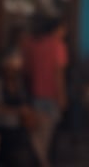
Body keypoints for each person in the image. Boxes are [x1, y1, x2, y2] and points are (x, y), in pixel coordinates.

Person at [23, 17, 68, 167]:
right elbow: (58, 74)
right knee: (44, 136)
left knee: (36, 134)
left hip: (34, 94)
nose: (64, 32)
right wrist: (62, 96)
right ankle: (44, 163)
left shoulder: (30, 43)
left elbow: (27, 70)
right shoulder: (58, 46)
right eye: (62, 29)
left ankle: (42, 162)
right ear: (55, 29)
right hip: (51, 95)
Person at [0, 52, 40, 167]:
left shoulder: (19, 84)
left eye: (15, 69)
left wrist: (28, 113)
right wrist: (15, 111)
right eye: (10, 68)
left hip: (18, 128)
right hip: (1, 129)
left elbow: (24, 104)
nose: (13, 71)